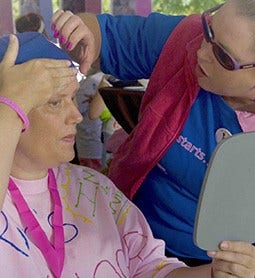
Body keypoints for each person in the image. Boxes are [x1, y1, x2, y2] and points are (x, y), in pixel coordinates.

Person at [0, 31, 228, 278]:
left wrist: (215, 274)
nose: (76, 115)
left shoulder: (93, 187)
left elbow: (150, 268)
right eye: (55, 102)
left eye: (74, 98)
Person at [51, 0, 255, 270]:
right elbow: (102, 35)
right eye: (209, 30)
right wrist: (81, 32)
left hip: (208, 263)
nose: (201, 52)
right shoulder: (185, 39)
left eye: (223, 56)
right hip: (123, 230)